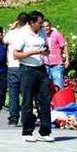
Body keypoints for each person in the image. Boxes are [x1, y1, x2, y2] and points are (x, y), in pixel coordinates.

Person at [13, 10, 54, 142]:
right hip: (27, 69)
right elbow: (16, 54)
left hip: (41, 69)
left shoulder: (41, 32)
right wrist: (34, 52)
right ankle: (27, 131)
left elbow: (46, 49)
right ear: (32, 22)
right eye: (39, 23)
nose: (42, 26)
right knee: (27, 101)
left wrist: (46, 52)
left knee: (45, 100)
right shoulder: (22, 34)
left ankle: (45, 131)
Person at [3, 13, 28, 127]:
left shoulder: (12, 33)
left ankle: (13, 119)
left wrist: (11, 28)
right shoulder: (28, 33)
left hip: (12, 66)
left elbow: (4, 40)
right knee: (26, 94)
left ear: (17, 21)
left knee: (13, 94)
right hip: (24, 66)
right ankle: (25, 118)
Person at [43, 20, 69, 89]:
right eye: (44, 26)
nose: (46, 28)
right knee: (46, 86)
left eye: (47, 26)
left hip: (57, 64)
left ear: (50, 26)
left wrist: (67, 60)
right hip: (45, 64)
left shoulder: (56, 35)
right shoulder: (41, 36)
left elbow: (64, 46)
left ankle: (59, 99)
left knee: (58, 85)